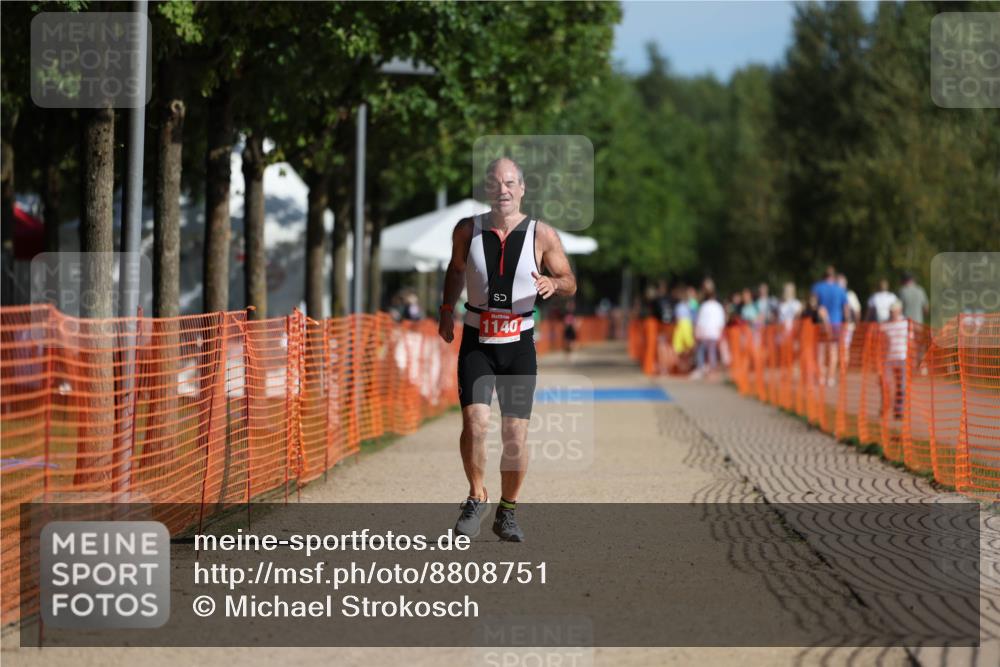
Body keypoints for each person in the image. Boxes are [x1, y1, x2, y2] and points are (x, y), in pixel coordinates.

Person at [438, 157, 576, 542]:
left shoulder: (542, 234)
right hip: (476, 341)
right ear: (487, 189)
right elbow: (455, 269)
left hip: (518, 344)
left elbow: (570, 281)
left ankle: (508, 511)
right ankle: (475, 496)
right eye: (496, 184)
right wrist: (446, 310)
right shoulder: (467, 230)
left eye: (511, 183)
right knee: (475, 424)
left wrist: (553, 283)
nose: (504, 190)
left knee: (515, 434)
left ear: (522, 188)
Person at [811, 266, 849, 387]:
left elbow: (813, 304)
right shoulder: (840, 289)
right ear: (833, 276)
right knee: (833, 351)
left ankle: (821, 377)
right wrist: (847, 321)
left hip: (821, 324)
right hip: (836, 324)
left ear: (824, 276)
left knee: (821, 351)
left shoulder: (817, 287)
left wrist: (818, 310)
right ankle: (830, 378)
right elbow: (846, 308)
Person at [880, 302, 911, 420]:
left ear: (899, 310)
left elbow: (910, 340)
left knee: (901, 385)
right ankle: (884, 407)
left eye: (894, 311)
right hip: (888, 359)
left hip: (902, 358)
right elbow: (881, 342)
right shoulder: (885, 325)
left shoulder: (905, 324)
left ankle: (899, 410)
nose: (892, 313)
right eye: (891, 311)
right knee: (886, 384)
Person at [692, 284, 726, 379]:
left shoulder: (704, 306)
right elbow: (721, 321)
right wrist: (720, 332)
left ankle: (702, 368)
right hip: (714, 332)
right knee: (712, 352)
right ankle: (712, 370)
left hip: (705, 332)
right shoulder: (718, 307)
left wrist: (697, 331)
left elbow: (700, 320)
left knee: (701, 350)